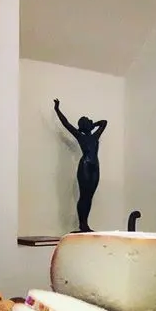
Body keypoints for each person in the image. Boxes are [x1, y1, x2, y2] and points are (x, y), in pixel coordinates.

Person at [54, 98, 107, 232]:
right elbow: (66, 123)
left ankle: (85, 224)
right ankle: (82, 223)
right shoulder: (80, 136)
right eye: (88, 121)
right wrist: (57, 109)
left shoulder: (95, 136)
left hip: (95, 167)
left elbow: (104, 122)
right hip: (85, 166)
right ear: (84, 126)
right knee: (84, 195)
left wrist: (93, 124)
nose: (91, 121)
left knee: (89, 196)